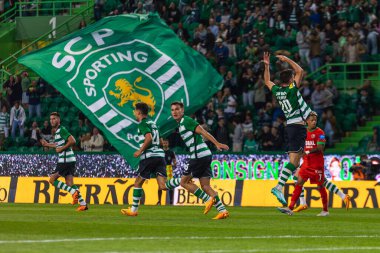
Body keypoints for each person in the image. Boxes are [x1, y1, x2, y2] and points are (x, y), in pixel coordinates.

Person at [263, 52, 312, 206]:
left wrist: (266, 65)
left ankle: (300, 201)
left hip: (289, 126)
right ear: (291, 79)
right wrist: (287, 59)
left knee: (295, 165)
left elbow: (267, 81)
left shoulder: (278, 91)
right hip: (297, 127)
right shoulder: (292, 90)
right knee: (295, 162)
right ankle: (278, 187)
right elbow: (300, 71)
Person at [280, 112, 351, 214]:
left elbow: (320, 147)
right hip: (306, 163)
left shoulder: (320, 133)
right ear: (307, 121)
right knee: (298, 182)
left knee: (321, 186)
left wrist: (307, 151)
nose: (314, 122)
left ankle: (326, 210)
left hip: (316, 164)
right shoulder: (303, 132)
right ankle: (291, 208)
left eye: (315, 120)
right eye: (312, 120)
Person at [121, 103, 182, 216]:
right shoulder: (152, 123)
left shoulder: (143, 124)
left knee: (138, 183)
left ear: (139, 112)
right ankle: (182, 181)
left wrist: (140, 150)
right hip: (160, 155)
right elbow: (158, 140)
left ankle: (133, 210)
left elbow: (148, 138)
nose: (134, 112)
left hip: (149, 156)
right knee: (163, 186)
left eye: (135, 111)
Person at [171, 101, 229, 219]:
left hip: (199, 155)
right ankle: (222, 211)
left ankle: (208, 200)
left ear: (182, 111)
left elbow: (203, 131)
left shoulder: (186, 121)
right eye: (172, 110)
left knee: (184, 182)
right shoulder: (181, 124)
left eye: (177, 109)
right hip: (205, 155)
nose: (175, 112)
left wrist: (217, 143)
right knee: (205, 186)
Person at [40, 112, 88, 211]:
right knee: (70, 183)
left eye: (54, 119)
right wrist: (47, 144)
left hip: (65, 160)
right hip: (70, 160)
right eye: (51, 119)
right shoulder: (58, 131)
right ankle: (83, 204)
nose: (52, 121)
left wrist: (61, 149)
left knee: (52, 180)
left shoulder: (62, 130)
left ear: (58, 120)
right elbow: (58, 145)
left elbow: (73, 140)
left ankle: (73, 192)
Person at [157, 139, 177, 205]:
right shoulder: (160, 151)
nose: (165, 144)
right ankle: (159, 201)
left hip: (169, 168)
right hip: (161, 168)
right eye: (164, 143)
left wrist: (174, 164)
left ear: (168, 144)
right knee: (160, 185)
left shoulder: (171, 152)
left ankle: (171, 201)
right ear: (162, 144)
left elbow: (174, 161)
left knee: (170, 185)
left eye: (166, 143)